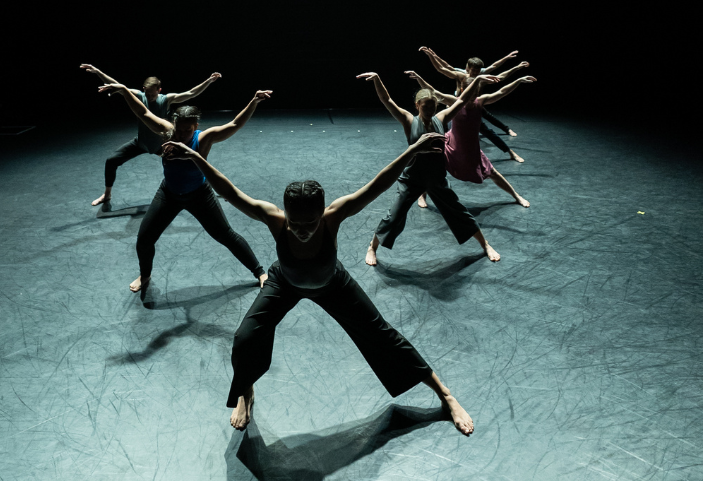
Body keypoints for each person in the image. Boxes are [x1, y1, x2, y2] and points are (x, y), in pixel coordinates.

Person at [162, 132, 475, 436]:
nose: (300, 230)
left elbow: (378, 184)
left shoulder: (333, 216)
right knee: (245, 338)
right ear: (284, 214)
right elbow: (230, 192)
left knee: (383, 336)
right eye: (294, 222)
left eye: (309, 223)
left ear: (321, 214)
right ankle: (246, 393)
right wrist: (194, 156)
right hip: (284, 283)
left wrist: (413, 150)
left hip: (331, 284)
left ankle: (444, 394)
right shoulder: (274, 219)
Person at [97, 82, 271, 291]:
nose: (181, 135)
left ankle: (259, 272)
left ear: (196, 126)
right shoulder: (167, 132)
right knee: (144, 239)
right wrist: (124, 91)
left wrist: (254, 101)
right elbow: (142, 112)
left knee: (226, 236)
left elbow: (234, 124)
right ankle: (145, 276)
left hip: (199, 195)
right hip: (168, 194)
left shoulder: (204, 138)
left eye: (187, 131)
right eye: (179, 130)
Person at [356, 72, 502, 264]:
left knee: (459, 213)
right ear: (417, 105)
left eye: (433, 106)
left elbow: (462, 100)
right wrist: (377, 79)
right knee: (394, 215)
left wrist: (476, 81)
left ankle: (485, 244)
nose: (430, 110)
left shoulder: (441, 118)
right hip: (412, 179)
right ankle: (372, 247)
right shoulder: (408, 120)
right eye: (426, 107)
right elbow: (387, 99)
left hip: (436, 179)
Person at [80, 64, 222, 206]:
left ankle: (214, 189)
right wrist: (98, 71)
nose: (150, 97)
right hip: (141, 142)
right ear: (144, 89)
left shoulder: (166, 99)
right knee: (111, 161)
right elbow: (117, 86)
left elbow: (191, 93)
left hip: (162, 145)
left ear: (159, 90)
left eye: (153, 95)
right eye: (147, 94)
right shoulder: (140, 96)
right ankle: (107, 194)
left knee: (194, 162)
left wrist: (208, 81)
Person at [438, 75, 536, 208]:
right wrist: (420, 79)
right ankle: (422, 195)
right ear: (462, 89)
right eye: (470, 92)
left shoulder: (480, 102)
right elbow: (435, 93)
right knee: (433, 169)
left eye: (475, 93)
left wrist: (518, 80)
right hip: (452, 146)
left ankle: (516, 196)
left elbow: (501, 92)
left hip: (471, 149)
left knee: (493, 173)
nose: (473, 96)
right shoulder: (454, 102)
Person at [419, 48, 528, 163]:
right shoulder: (461, 75)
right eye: (473, 70)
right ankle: (439, 153)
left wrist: (516, 67)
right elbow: (442, 68)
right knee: (447, 129)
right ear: (467, 68)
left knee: (487, 129)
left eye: (478, 70)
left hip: (475, 105)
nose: (476, 72)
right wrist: (432, 55)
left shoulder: (481, 77)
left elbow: (499, 75)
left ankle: (510, 149)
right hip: (458, 105)